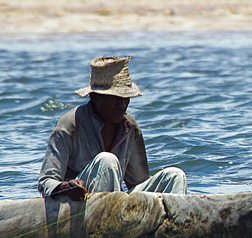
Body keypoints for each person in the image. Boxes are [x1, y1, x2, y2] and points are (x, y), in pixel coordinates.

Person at [38, 56, 186, 201]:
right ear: (94, 97)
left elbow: (138, 184)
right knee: (107, 160)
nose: (122, 104)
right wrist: (66, 187)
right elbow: (46, 182)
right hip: (79, 204)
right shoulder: (70, 125)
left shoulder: (130, 127)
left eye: (125, 98)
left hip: (116, 205)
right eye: (115, 98)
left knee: (175, 176)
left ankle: (174, 223)